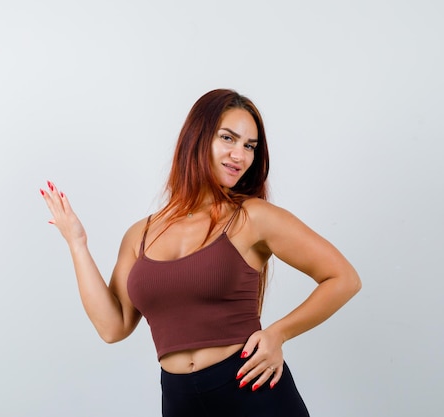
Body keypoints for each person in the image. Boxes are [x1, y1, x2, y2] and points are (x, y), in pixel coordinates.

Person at [39, 89, 361, 417]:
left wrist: (279, 333)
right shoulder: (140, 234)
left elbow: (343, 278)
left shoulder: (253, 217)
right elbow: (113, 327)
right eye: (228, 138)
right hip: (180, 402)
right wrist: (77, 244)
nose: (241, 155)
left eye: (250, 146)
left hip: (249, 391)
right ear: (197, 138)